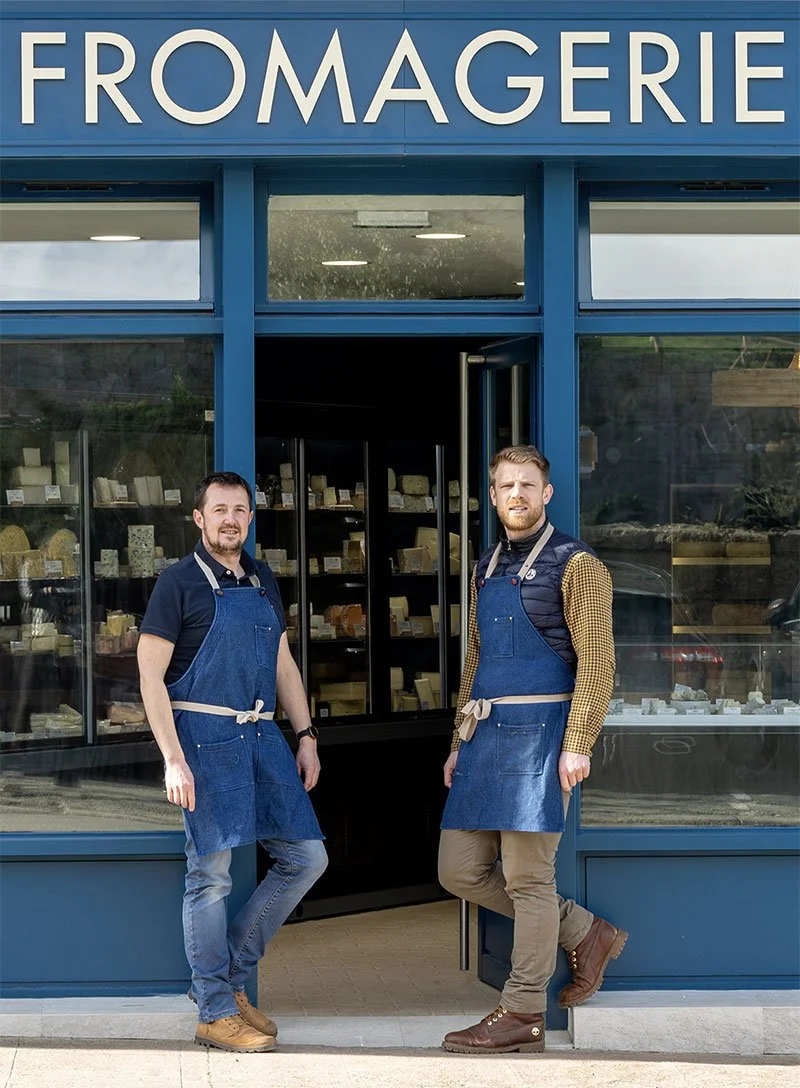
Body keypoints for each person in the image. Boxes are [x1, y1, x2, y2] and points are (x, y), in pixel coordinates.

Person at [438, 444, 627, 1055]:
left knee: (526, 879)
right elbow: (476, 662)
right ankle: (584, 930)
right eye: (504, 485)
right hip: (485, 737)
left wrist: (578, 745)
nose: (515, 495)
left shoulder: (579, 565)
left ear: (547, 494)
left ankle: (521, 1011)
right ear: (492, 496)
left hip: (543, 742)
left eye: (527, 484)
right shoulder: (484, 566)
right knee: (458, 870)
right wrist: (457, 741)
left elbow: (598, 666)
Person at [137, 470, 327, 1054]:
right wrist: (173, 758)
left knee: (307, 857)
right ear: (198, 519)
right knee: (210, 876)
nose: (230, 519)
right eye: (219, 509)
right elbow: (149, 676)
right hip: (201, 740)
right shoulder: (177, 583)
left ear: (249, 517)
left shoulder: (264, 577)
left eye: (240, 510)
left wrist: (306, 733)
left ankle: (229, 978)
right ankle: (216, 1010)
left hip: (261, 736)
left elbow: (283, 665)